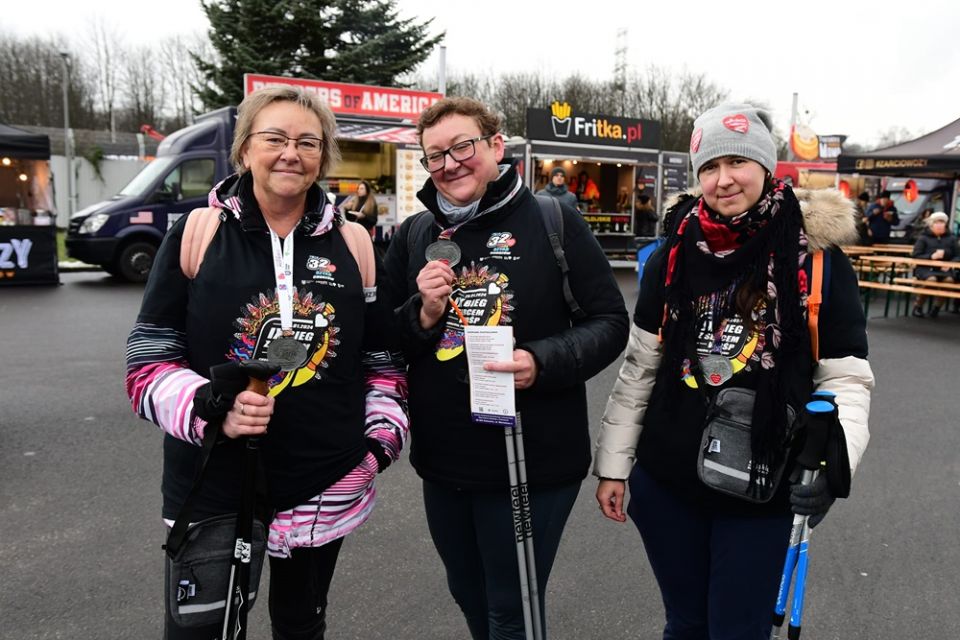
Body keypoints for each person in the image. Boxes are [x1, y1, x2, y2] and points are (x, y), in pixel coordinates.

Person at [125, 86, 409, 640]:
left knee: (301, 626)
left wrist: (379, 446)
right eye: (274, 138)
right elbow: (148, 359)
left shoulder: (354, 242)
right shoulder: (196, 232)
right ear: (245, 148)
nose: (290, 153)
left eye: (308, 142)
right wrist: (213, 410)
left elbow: (380, 359)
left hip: (322, 481)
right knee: (203, 632)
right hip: (212, 480)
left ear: (323, 156)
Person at [594, 103, 875, 640]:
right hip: (667, 484)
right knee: (686, 623)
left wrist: (836, 466)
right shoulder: (672, 253)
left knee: (738, 630)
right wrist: (613, 466)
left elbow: (845, 378)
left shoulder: (816, 258)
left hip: (762, 490)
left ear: (766, 167)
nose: (723, 180)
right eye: (708, 167)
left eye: (736, 163)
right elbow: (641, 369)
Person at [382, 96, 629, 639]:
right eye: (435, 156)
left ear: (496, 146)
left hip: (530, 461)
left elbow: (610, 322)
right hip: (445, 461)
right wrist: (422, 312)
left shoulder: (552, 220)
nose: (450, 164)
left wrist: (540, 361)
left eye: (462, 147)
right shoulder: (416, 234)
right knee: (468, 596)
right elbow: (384, 340)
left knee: (511, 609)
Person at [910, 211, 958, 318]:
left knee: (949, 281)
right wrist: (931, 257)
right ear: (931, 225)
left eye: (942, 222)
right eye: (937, 223)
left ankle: (936, 307)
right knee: (931, 280)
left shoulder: (951, 239)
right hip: (926, 268)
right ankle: (918, 305)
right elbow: (916, 255)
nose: (940, 225)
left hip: (944, 269)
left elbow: (957, 255)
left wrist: (950, 264)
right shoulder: (923, 238)